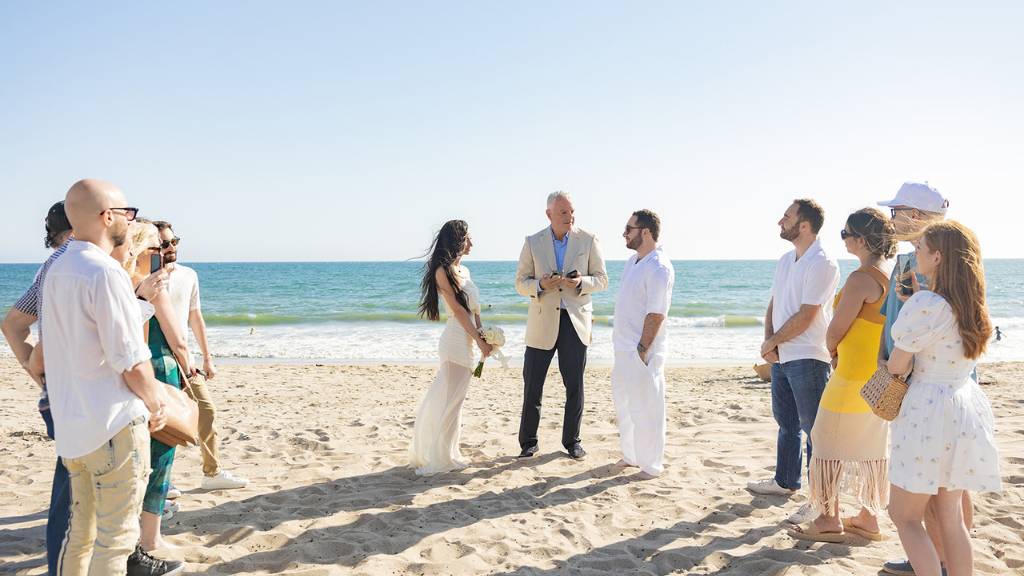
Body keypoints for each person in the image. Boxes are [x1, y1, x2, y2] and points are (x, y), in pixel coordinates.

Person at [41, 179, 174, 575]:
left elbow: (80, 337)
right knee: (115, 539)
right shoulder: (104, 271)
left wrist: (141, 302)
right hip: (112, 423)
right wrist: (155, 401)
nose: (130, 220)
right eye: (126, 212)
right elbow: (129, 358)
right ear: (107, 216)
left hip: (74, 425)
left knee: (79, 535)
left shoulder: (58, 268)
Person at [886, 221, 1001, 576]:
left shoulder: (926, 304)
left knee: (904, 516)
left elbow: (898, 365)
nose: (915, 253)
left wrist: (914, 307)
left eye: (920, 247)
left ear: (937, 257)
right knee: (952, 517)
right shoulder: (972, 305)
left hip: (927, 411)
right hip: (963, 406)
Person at [875, 182, 973, 576]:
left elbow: (912, 333)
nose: (891, 219)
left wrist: (888, 364)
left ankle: (937, 562)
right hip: (952, 391)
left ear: (915, 216)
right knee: (947, 501)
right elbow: (892, 319)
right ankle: (939, 560)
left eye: (896, 212)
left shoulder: (925, 269)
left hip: (924, 392)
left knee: (921, 505)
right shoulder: (952, 271)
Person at [788, 208, 896, 542]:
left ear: (861, 239)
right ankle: (868, 517)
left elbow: (835, 330)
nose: (844, 239)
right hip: (877, 378)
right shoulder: (891, 275)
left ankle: (828, 519)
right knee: (871, 447)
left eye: (846, 233)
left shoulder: (861, 279)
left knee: (825, 441)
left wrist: (832, 351)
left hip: (849, 377)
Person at [748, 199, 840, 526]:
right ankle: (785, 480)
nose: (780, 221)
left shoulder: (823, 262)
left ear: (804, 225)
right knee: (786, 422)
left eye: (786, 217)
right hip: (782, 355)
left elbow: (807, 315)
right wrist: (768, 341)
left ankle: (820, 501)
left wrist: (774, 341)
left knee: (815, 432)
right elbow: (775, 302)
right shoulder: (786, 260)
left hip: (809, 356)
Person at [1, 201, 73, 576]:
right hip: (76, 394)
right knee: (75, 487)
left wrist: (38, 373)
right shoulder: (75, 263)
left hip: (58, 391)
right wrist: (38, 368)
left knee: (72, 481)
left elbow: (12, 324)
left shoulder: (50, 265)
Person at [153, 220, 249, 491]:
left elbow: (195, 316)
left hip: (186, 360)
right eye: (164, 244)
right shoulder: (145, 279)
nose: (171, 247)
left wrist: (207, 357)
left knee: (206, 411)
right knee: (162, 422)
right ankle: (162, 482)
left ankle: (212, 472)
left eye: (174, 241)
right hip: (156, 359)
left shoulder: (188, 275)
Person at [119, 220, 194, 554]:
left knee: (130, 456)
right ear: (145, 251)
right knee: (160, 457)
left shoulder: (116, 280)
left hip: (122, 372)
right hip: (157, 371)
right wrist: (189, 367)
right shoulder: (152, 285)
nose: (164, 252)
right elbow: (177, 338)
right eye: (158, 247)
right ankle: (150, 538)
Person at [515, 191, 608, 460]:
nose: (570, 217)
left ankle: (572, 442)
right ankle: (528, 443)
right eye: (564, 212)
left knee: (575, 387)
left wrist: (580, 282)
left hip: (575, 322)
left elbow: (602, 279)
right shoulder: (532, 242)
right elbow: (520, 282)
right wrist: (541, 284)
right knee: (533, 386)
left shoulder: (588, 239)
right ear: (549, 214)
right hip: (542, 322)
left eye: (572, 211)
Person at [408, 220, 492, 475]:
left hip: (468, 340)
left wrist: (483, 335)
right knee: (451, 402)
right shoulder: (442, 272)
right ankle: (442, 457)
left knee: (456, 402)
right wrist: (478, 339)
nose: (472, 243)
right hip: (455, 341)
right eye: (468, 238)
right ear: (457, 240)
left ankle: (448, 452)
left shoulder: (464, 270)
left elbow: (474, 310)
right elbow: (458, 311)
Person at [610, 209, 674, 478]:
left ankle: (651, 465)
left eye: (629, 229)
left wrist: (642, 349)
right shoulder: (633, 262)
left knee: (647, 408)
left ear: (645, 232)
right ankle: (632, 456)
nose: (624, 233)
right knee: (625, 406)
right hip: (622, 348)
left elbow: (656, 313)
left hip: (642, 351)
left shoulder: (659, 267)